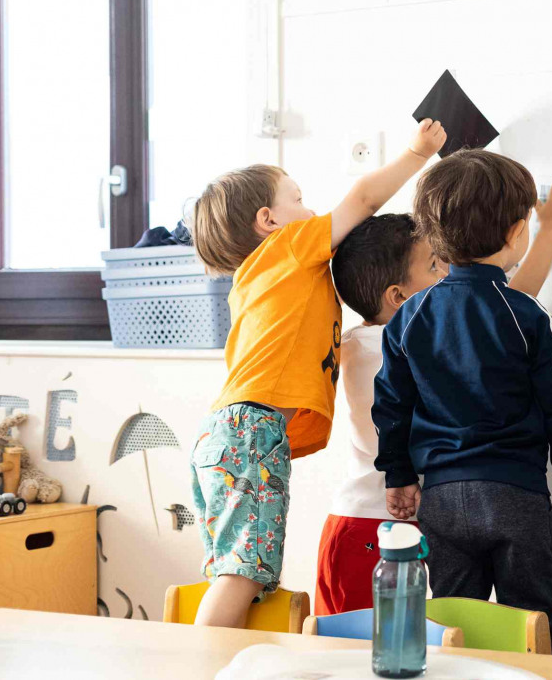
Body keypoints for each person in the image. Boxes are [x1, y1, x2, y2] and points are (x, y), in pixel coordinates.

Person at [187, 120, 447, 628]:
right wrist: (417, 154)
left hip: (227, 433)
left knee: (243, 574)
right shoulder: (285, 249)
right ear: (269, 220)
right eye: (299, 199)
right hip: (249, 430)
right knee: (241, 575)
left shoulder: (265, 279)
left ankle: (233, 657)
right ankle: (206, 665)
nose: (313, 212)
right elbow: (364, 199)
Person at [314, 170, 552, 616]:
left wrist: (548, 231)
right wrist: (548, 232)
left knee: (446, 627)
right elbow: (498, 313)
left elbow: (497, 310)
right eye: (435, 266)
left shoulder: (383, 335)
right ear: (397, 296)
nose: (447, 274)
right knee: (379, 649)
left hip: (386, 517)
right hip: (374, 525)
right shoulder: (393, 340)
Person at [373, 150, 552, 654]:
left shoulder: (409, 317)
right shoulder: (526, 315)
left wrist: (399, 474)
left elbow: (391, 406)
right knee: (533, 624)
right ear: (518, 233)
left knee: (453, 626)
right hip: (515, 496)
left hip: (443, 501)